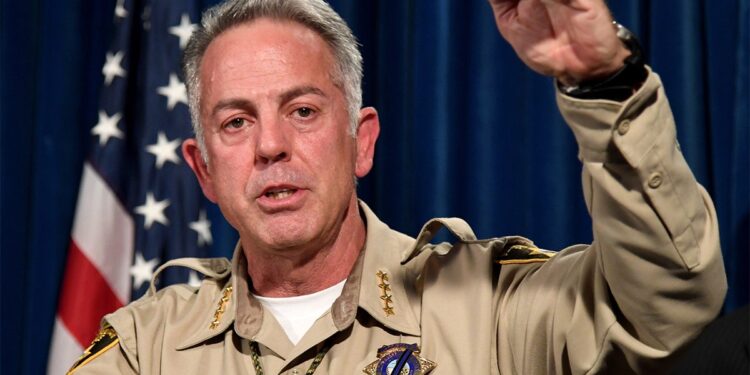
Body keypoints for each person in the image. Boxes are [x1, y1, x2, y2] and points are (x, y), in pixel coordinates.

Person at [67, 0, 727, 374]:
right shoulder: (143, 348)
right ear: (203, 170)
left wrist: (603, 84)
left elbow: (671, 307)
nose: (271, 144)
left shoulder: (494, 308)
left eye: (302, 111)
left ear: (364, 140)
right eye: (237, 122)